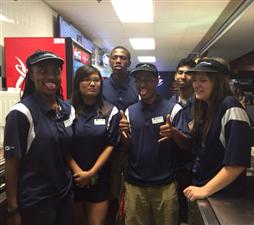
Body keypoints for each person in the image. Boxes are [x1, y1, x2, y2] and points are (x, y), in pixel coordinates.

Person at [4, 50, 74, 225]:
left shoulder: (67, 110)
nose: (50, 76)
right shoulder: (21, 113)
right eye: (42, 71)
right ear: (31, 75)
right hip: (37, 201)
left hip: (64, 194)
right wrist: (13, 209)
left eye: (55, 71)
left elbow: (66, 152)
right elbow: (12, 165)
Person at [182, 57, 251, 224]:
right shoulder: (205, 108)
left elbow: (237, 163)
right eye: (195, 80)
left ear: (218, 83)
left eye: (203, 80)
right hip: (207, 193)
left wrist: (205, 189)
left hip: (224, 196)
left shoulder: (231, 108)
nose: (196, 85)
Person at [119, 63, 188, 225]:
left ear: (157, 81)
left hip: (165, 185)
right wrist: (122, 133)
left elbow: (187, 145)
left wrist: (174, 133)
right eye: (138, 80)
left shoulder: (174, 109)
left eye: (147, 80)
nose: (142, 84)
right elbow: (128, 146)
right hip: (135, 184)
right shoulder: (130, 111)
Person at [66, 65, 119, 225]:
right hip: (72, 178)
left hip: (100, 178)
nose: (92, 83)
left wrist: (91, 173)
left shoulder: (110, 111)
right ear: (78, 83)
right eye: (87, 79)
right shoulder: (66, 109)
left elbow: (111, 145)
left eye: (96, 80)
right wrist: (78, 172)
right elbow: (63, 145)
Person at [102, 46, 139, 224]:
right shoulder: (101, 86)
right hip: (107, 150)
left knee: (131, 193)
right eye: (115, 57)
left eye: (123, 58)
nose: (118, 60)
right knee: (110, 193)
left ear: (129, 63)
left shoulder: (137, 85)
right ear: (109, 61)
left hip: (134, 148)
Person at [171, 57, 196, 224]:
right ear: (175, 75)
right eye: (180, 72)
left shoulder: (202, 103)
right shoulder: (170, 104)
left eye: (188, 73)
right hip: (173, 166)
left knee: (191, 210)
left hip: (193, 167)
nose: (183, 76)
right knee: (176, 209)